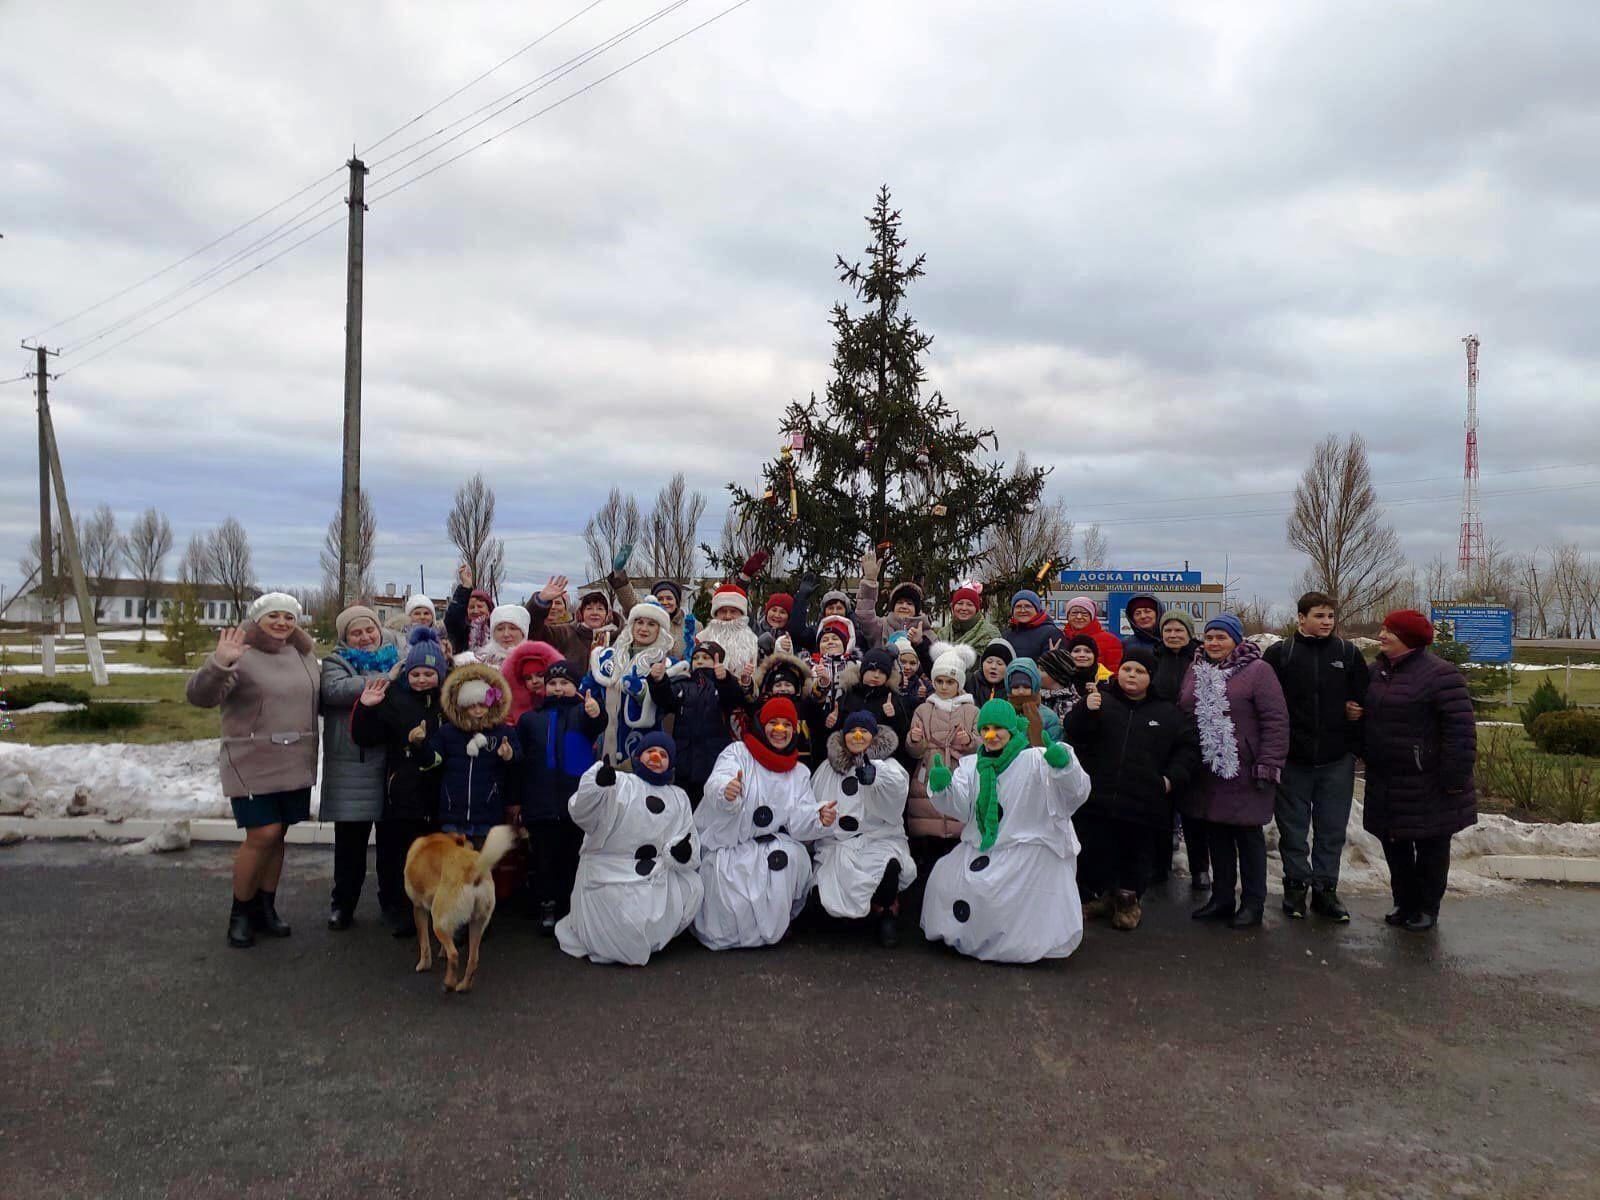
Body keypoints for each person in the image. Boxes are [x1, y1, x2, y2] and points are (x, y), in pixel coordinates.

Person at [186, 593, 319, 949]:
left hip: (294, 761)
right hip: (251, 762)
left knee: (278, 836)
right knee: (262, 834)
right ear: (257, 618)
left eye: (289, 616)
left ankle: (265, 909)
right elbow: (201, 697)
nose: (282, 622)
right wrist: (218, 664)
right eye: (273, 615)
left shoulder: (303, 654)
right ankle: (240, 914)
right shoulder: (239, 652)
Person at [919, 699, 1092, 963]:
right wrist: (943, 789)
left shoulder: (1035, 759)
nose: (990, 734)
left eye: (998, 728)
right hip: (983, 845)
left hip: (1029, 846)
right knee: (944, 877)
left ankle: (1011, 946)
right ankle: (969, 938)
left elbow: (1073, 796)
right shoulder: (973, 764)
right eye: (985, 728)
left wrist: (1064, 767)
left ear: (1012, 729)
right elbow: (962, 806)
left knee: (995, 891)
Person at [1066, 646, 1199, 931]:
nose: (1132, 675)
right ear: (1118, 671)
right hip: (1098, 797)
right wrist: (1084, 711)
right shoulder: (1102, 701)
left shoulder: (1167, 713)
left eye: (1140, 671)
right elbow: (1074, 733)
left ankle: (1128, 901)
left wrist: (1170, 779)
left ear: (1150, 677)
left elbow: (1187, 750)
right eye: (1127, 669)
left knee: (1134, 853)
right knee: (1096, 849)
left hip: (1142, 802)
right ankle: (1100, 896)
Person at [1360, 610, 1477, 933]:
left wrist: (1454, 778)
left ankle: (1427, 907)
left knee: (1431, 846)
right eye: (1383, 629)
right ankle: (1404, 902)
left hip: (1429, 780)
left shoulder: (1441, 675)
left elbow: (1461, 732)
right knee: (1393, 842)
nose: (1382, 635)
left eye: (1390, 631)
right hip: (1386, 778)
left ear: (1409, 639)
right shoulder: (1376, 673)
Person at [1263, 591, 1370, 922]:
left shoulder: (1348, 654)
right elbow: (1266, 703)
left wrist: (1357, 715)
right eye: (1319, 616)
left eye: (1330, 617)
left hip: (1336, 760)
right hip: (1293, 758)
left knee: (1331, 830)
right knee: (1293, 830)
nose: (1326, 622)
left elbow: (1364, 698)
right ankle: (1296, 889)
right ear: (1301, 618)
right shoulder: (1280, 654)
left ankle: (1326, 892)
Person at [1178, 614, 1290, 929]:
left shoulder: (1258, 671)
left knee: (1248, 836)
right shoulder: (1196, 669)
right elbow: (1183, 707)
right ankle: (1222, 898)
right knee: (1217, 834)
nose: (1214, 643)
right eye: (1210, 637)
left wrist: (1269, 763)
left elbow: (1275, 720)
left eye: (1221, 637)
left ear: (1236, 640)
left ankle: (1253, 903)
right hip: (1207, 769)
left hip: (1245, 769)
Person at [556, 734, 704, 966]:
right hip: (610, 871)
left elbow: (689, 838)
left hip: (653, 873)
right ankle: (613, 941)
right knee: (622, 921)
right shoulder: (621, 783)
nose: (656, 757)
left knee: (693, 886)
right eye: (650, 752)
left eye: (663, 755)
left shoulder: (679, 797)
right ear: (638, 756)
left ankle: (648, 939)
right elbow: (581, 813)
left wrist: (680, 852)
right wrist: (598, 786)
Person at [694, 698, 828, 950]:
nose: (780, 730)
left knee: (791, 858)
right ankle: (733, 933)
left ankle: (776, 925)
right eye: (773, 723)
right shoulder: (738, 753)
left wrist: (817, 818)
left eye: (786, 724)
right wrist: (727, 790)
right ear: (761, 725)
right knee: (730, 883)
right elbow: (719, 779)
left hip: (769, 843)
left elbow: (800, 816)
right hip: (731, 844)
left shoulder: (798, 771)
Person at [350, 626, 450, 939]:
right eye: (415, 674)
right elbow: (366, 737)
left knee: (434, 854)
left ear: (440, 674)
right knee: (397, 854)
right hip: (402, 790)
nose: (421, 680)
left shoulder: (449, 703)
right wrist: (367, 709)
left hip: (438, 791)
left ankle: (434, 908)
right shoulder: (395, 698)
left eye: (428, 674)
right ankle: (397, 908)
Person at [319, 605, 402, 932]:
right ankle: (343, 904)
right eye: (357, 632)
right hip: (353, 765)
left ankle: (392, 903)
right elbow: (335, 690)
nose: (366, 637)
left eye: (370, 630)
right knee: (350, 843)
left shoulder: (399, 655)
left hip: (390, 762)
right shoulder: (335, 662)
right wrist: (387, 679)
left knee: (391, 844)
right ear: (345, 638)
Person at [515, 661, 607, 934]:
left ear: (575, 687)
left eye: (564, 683)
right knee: (544, 858)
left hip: (575, 802)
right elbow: (522, 759)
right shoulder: (530, 719)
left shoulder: (582, 713)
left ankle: (573, 906)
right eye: (552, 684)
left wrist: (595, 712)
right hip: (540, 801)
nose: (557, 688)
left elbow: (598, 724)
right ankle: (547, 905)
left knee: (573, 856)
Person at [809, 711, 914, 947]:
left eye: (864, 731)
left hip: (878, 839)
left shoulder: (888, 765)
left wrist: (877, 776)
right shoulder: (827, 768)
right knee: (825, 896)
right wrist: (819, 816)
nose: (858, 736)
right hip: (838, 844)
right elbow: (811, 801)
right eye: (853, 732)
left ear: (874, 736)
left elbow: (897, 791)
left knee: (888, 866)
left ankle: (886, 911)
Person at [905, 643, 978, 908]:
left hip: (958, 773)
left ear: (959, 683)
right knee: (928, 831)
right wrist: (914, 741)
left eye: (950, 681)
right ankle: (926, 892)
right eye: (939, 681)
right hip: (928, 773)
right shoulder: (923, 710)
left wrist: (969, 740)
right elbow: (913, 749)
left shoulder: (971, 711)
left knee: (957, 833)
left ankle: (956, 890)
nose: (944, 686)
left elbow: (982, 744)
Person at [649, 639, 745, 807]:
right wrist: (659, 681)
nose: (700, 661)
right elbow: (666, 700)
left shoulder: (721, 685)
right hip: (685, 761)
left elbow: (735, 699)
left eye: (706, 658)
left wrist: (725, 680)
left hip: (715, 762)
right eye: (696, 657)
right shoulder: (683, 685)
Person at [589, 601, 687, 763]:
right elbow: (587, 691)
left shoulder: (669, 666)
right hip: (603, 743)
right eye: (639, 622)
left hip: (644, 748)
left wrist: (650, 686)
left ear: (660, 630)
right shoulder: (606, 658)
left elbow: (669, 705)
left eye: (651, 624)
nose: (643, 628)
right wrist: (591, 705)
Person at [432, 662, 521, 840]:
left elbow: (517, 762)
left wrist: (510, 755)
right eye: (472, 706)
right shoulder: (448, 732)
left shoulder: (503, 732)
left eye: (482, 705)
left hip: (488, 814)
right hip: (453, 814)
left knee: (483, 865)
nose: (478, 710)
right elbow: (435, 762)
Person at [1155, 608, 1209, 891]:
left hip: (1194, 739)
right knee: (1161, 807)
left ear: (1189, 633)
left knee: (1193, 808)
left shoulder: (1200, 659)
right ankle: (1159, 865)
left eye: (1179, 630)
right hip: (1161, 739)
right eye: (1168, 630)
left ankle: (1200, 868)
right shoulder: (1155, 658)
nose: (1173, 635)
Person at [853, 547, 933, 650]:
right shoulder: (881, 627)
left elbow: (933, 662)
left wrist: (921, 643)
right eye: (899, 602)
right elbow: (864, 615)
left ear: (917, 609)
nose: (904, 606)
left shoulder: (927, 633)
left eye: (909, 603)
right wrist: (869, 581)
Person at [698, 582, 761, 677]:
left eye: (733, 611)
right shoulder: (701, 638)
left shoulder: (751, 640)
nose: (728, 616)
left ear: (741, 614)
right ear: (716, 613)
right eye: (723, 611)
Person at [502, 638, 565, 723]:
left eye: (540, 675)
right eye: (528, 678)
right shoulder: (510, 712)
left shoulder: (566, 703)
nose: (534, 681)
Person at [1005, 656, 1062, 747]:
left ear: (1035, 686)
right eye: (1015, 687)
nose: (1021, 692)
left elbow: (1055, 749)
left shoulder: (1050, 717)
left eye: (1026, 687)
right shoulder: (1002, 713)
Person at [443, 564, 495, 658]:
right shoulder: (462, 631)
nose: (475, 610)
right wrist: (466, 586)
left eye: (480, 606)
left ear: (489, 610)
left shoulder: (496, 631)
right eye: (471, 607)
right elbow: (453, 617)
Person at [933, 582, 1000, 652]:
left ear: (976, 609)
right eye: (960, 603)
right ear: (953, 607)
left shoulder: (990, 634)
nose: (964, 608)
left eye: (969, 604)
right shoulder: (943, 634)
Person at [1062, 596, 1123, 672]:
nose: (1079, 617)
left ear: (1092, 616)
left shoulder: (1110, 641)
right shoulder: (1061, 637)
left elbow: (1115, 673)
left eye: (1084, 613)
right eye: (1074, 613)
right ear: (1068, 616)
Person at [1001, 588, 1063, 662]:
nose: (1022, 610)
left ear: (1037, 609)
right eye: (1018, 606)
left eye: (1028, 606)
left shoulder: (1051, 633)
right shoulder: (1007, 635)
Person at [645, 578, 698, 659]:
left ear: (677, 603)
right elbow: (630, 604)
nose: (665, 602)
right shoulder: (646, 624)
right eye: (660, 599)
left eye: (669, 598)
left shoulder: (694, 625)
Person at [474, 604, 530, 670]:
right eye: (500, 629)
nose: (506, 634)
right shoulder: (478, 663)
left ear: (523, 633)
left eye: (512, 628)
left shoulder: (532, 662)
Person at [969, 638, 1014, 704]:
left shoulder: (1012, 689)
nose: (993, 667)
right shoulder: (972, 683)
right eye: (989, 662)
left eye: (999, 663)